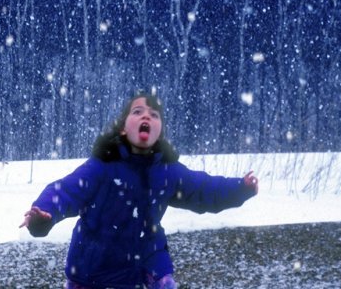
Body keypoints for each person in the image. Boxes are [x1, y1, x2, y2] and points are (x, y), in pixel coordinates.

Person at [20, 91, 259, 289]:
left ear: (158, 131)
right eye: (137, 112)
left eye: (154, 115)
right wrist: (44, 213)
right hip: (94, 266)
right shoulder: (102, 166)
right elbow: (66, 191)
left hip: (147, 256)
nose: (146, 116)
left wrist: (240, 188)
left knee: (164, 282)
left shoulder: (168, 171)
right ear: (123, 128)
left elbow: (204, 189)